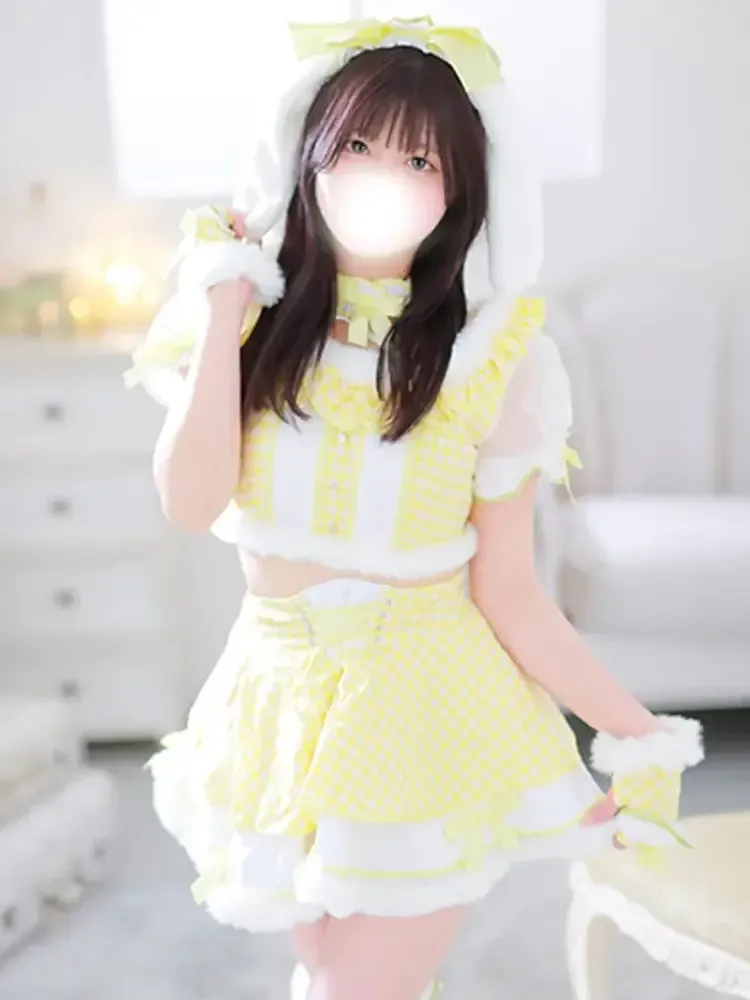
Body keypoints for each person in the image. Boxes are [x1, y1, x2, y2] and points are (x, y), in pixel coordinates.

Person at [125, 16, 704, 1000]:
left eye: (420, 158)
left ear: (458, 193)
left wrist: (638, 737)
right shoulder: (248, 328)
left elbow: (511, 591)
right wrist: (223, 311)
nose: (382, 176)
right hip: (276, 700)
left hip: (425, 705)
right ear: (310, 155)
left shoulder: (494, 362)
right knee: (326, 967)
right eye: (358, 143)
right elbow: (190, 503)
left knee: (354, 989)